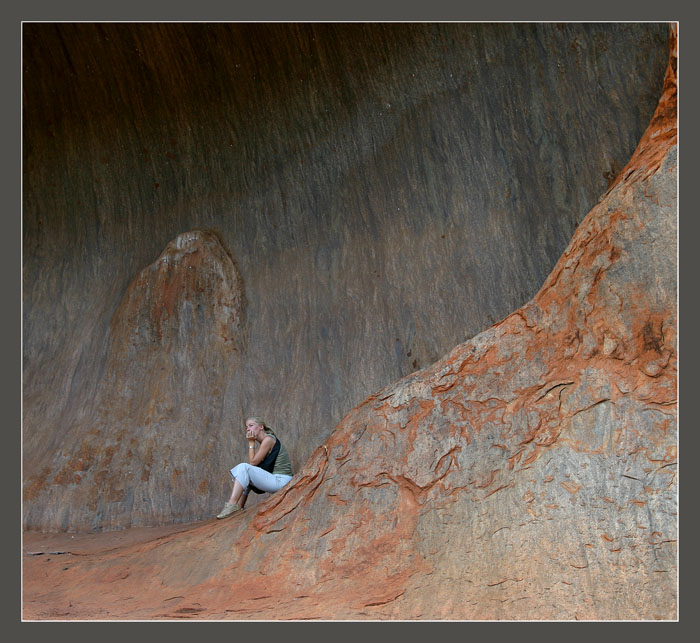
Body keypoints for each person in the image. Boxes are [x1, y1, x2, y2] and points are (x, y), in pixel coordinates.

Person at [216, 416, 294, 519]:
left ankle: (232, 504)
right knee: (244, 475)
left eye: (251, 425)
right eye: (246, 427)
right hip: (276, 479)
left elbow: (252, 462)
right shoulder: (265, 441)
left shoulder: (268, 440)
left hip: (282, 481)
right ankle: (238, 507)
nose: (248, 429)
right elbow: (254, 464)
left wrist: (251, 442)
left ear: (261, 427)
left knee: (244, 467)